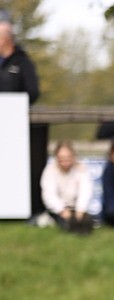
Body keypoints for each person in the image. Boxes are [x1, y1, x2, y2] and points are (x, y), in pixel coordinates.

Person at [0, 20, 48, 221]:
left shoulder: (23, 62)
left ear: (6, 39)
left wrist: (13, 106)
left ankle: (28, 209)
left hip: (17, 129)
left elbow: (33, 92)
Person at [40, 141, 94, 234]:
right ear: (57, 157)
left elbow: (85, 191)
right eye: (61, 158)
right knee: (67, 225)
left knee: (86, 223)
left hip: (76, 208)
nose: (65, 161)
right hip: (59, 209)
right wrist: (62, 210)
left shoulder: (81, 169)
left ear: (73, 156)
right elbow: (49, 194)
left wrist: (80, 210)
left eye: (68, 157)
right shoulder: (50, 171)